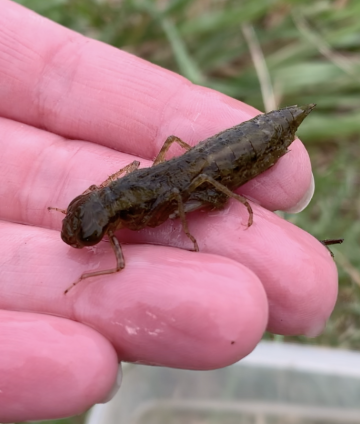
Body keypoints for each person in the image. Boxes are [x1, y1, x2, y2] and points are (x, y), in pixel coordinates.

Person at [0, 0, 338, 421]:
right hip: (202, 159)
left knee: (191, 190)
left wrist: (91, 271)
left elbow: (161, 213)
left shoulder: (128, 214)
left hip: (223, 160)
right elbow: (136, 171)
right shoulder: (114, 194)